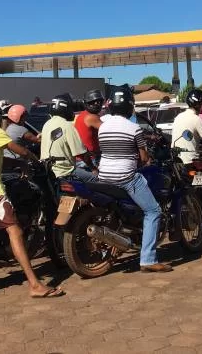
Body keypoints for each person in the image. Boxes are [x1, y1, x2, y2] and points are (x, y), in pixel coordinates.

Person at [0, 102, 64, 298]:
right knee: (15, 231)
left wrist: (20, 164)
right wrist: (35, 160)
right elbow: (22, 150)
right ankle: (34, 284)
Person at [97, 87, 171, 272]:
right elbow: (144, 158)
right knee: (153, 211)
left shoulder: (103, 126)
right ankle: (148, 259)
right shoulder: (134, 128)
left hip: (103, 175)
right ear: (130, 105)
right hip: (125, 178)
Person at [39, 94, 95, 181]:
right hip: (66, 172)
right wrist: (93, 168)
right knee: (95, 178)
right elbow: (82, 154)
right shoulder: (67, 125)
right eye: (71, 108)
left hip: (49, 171)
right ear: (66, 109)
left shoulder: (47, 124)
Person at [172, 89, 202, 164]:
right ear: (198, 104)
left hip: (176, 160)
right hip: (190, 160)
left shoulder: (178, 116)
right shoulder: (196, 119)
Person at [74, 89, 104, 162]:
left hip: (82, 158)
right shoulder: (91, 117)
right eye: (92, 102)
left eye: (99, 101)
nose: (96, 104)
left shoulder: (82, 114)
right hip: (90, 160)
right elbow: (111, 131)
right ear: (86, 103)